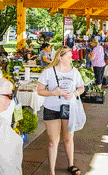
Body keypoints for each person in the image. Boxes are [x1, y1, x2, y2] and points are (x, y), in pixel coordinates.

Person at [35, 46, 86, 175]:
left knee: (69, 138)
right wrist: (53, 92)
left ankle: (71, 165)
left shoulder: (74, 72)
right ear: (61, 57)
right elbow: (39, 91)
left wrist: (74, 94)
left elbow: (81, 88)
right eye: (69, 56)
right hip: (51, 109)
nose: (72, 58)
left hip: (69, 108)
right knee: (53, 142)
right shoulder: (48, 72)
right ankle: (52, 172)